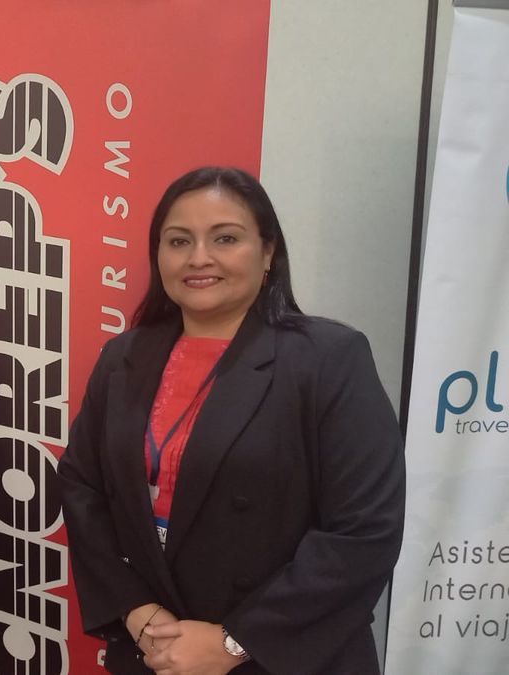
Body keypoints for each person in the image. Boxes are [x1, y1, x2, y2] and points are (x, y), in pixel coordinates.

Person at [57, 167, 405, 675]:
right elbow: (82, 485)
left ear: (267, 253)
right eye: (179, 240)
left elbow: (363, 532)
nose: (199, 257)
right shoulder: (122, 357)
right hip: (155, 647)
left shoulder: (328, 359)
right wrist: (135, 612)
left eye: (225, 238)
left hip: (282, 656)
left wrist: (234, 643)